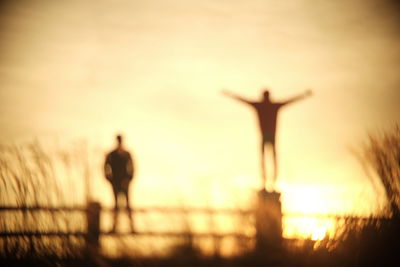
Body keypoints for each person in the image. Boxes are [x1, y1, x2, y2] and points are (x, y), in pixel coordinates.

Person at [223, 89, 312, 190]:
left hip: (268, 137)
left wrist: (230, 94)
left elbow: (290, 101)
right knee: (268, 160)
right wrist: (304, 95)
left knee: (268, 160)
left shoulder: (264, 106)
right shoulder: (270, 106)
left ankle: (270, 183)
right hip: (267, 137)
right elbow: (243, 100)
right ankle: (266, 183)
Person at [104, 134, 135, 232]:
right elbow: (105, 167)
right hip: (116, 183)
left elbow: (132, 168)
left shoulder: (126, 154)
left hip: (125, 183)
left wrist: (128, 180)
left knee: (128, 204)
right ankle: (114, 227)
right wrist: (110, 179)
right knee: (116, 205)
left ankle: (132, 227)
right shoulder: (112, 154)